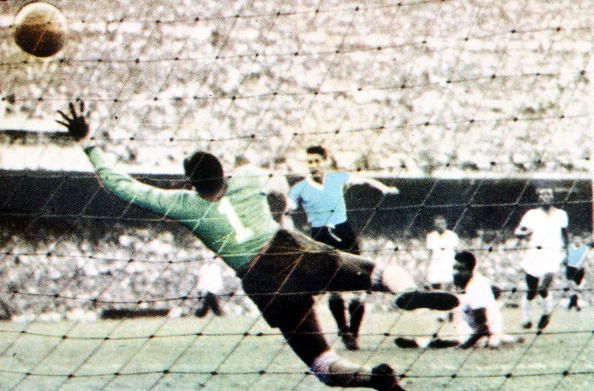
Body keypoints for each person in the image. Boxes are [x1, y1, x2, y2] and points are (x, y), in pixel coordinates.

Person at [57, 102, 458, 391]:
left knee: (322, 364)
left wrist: (88, 142)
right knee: (377, 273)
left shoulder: (183, 204)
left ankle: (375, 378)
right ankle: (405, 293)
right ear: (224, 171)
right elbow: (276, 184)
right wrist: (282, 205)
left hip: (262, 279)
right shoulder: (247, 177)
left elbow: (122, 186)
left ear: (192, 184)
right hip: (290, 248)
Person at [288, 145, 399, 351]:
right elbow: (286, 207)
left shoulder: (337, 178)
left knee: (359, 285)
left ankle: (353, 334)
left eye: (316, 161)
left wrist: (384, 188)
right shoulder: (299, 188)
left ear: (324, 161)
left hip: (345, 232)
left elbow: (364, 179)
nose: (312, 165)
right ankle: (343, 330)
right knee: (334, 289)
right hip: (321, 237)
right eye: (309, 162)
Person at [394, 251, 522, 350]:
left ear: (470, 270)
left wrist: (463, 347)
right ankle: (508, 338)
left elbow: (482, 327)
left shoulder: (477, 287)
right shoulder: (463, 281)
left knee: (447, 341)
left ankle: (418, 343)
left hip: (484, 329)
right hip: (471, 322)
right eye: (454, 268)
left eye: (460, 269)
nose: (456, 272)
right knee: (452, 326)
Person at [514, 186, 568, 330]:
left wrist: (568, 255)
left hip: (553, 255)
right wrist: (522, 234)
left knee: (544, 287)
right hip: (534, 254)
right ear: (538, 197)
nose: (545, 196)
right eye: (542, 194)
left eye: (548, 193)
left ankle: (546, 313)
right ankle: (526, 318)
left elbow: (565, 235)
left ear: (553, 196)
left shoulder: (561, 214)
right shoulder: (531, 214)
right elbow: (519, 231)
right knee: (532, 289)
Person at [564, 241, 589, 311]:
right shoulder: (571, 247)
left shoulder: (584, 248)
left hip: (577, 269)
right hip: (572, 268)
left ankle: (573, 302)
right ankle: (574, 302)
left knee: (574, 286)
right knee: (573, 285)